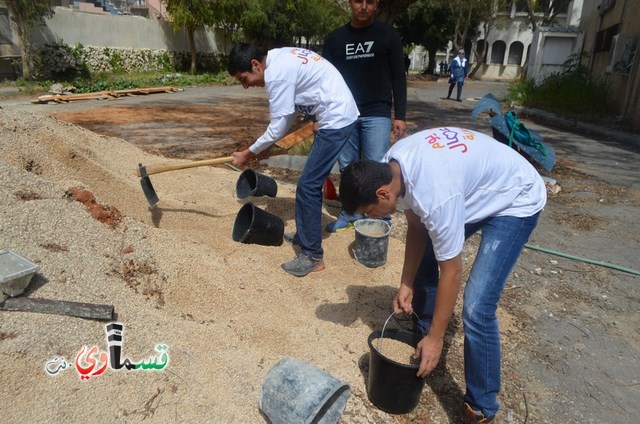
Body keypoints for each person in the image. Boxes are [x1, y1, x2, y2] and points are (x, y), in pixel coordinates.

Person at [339, 127, 546, 423]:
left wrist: (439, 337)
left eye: (370, 211)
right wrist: (406, 282)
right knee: (427, 251)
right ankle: (424, 337)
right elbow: (417, 226)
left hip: (516, 197)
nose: (372, 217)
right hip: (476, 188)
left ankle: (481, 405)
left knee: (477, 306)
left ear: (382, 193)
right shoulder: (391, 165)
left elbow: (452, 269)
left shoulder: (435, 196)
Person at [227, 43, 359, 277]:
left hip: (336, 119)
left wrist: (249, 152)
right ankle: (305, 235)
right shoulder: (279, 58)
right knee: (309, 183)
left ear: (256, 64)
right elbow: (289, 116)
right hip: (331, 114)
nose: (246, 86)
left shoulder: (277, 75)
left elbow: (279, 125)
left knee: (307, 186)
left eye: (244, 78)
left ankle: (312, 255)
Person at [322, 0, 407, 233]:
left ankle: (381, 218)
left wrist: (400, 115)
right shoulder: (335, 39)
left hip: (377, 112)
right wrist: (321, 115)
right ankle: (349, 213)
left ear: (377, 3)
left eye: (369, 1)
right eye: (358, 1)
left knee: (378, 167)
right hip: (343, 113)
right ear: (350, 2)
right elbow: (324, 81)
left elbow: (399, 76)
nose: (363, 6)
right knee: (347, 167)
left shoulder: (388, 36)